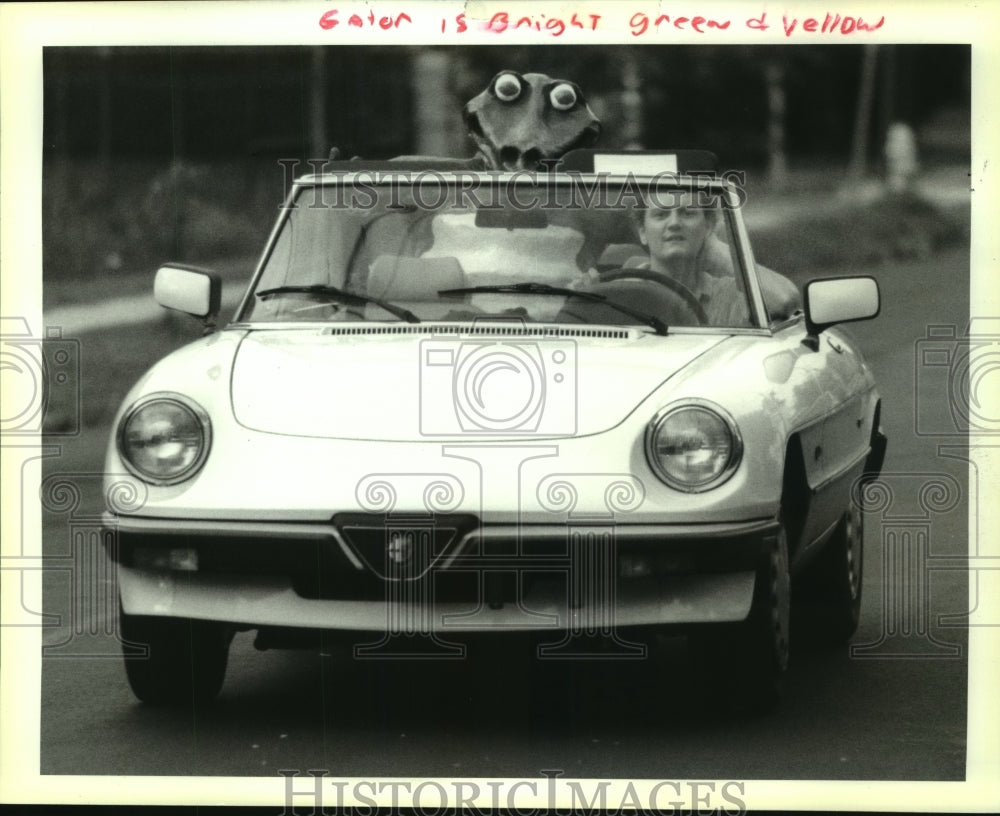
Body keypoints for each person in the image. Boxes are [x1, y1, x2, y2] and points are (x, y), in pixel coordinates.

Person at [627, 191, 751, 327]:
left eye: (687, 213)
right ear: (642, 232)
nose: (674, 223)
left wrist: (726, 257)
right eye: (661, 215)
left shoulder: (732, 294)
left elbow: (778, 301)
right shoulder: (620, 293)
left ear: (708, 226)